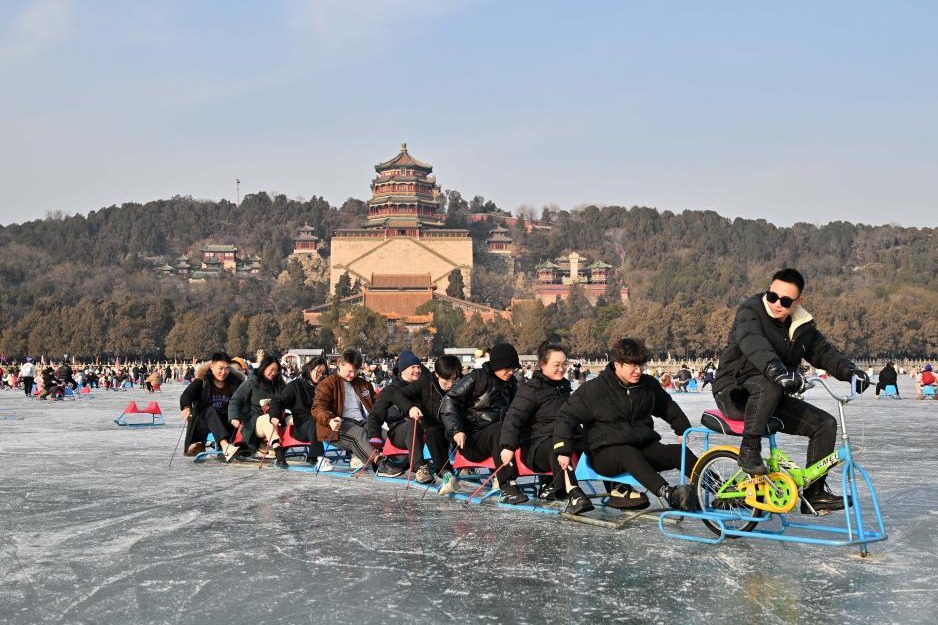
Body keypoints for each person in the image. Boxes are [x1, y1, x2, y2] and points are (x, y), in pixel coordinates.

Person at [712, 268, 870, 514]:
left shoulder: (802, 326)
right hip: (733, 392)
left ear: (798, 302)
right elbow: (755, 343)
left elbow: (823, 352)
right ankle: (749, 449)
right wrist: (776, 370)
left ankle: (815, 494)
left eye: (785, 301)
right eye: (772, 296)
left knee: (824, 424)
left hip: (773, 395)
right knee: (769, 383)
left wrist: (850, 372)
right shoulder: (750, 311)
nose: (776, 304)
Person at [555, 338, 700, 512]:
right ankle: (669, 493)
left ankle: (722, 490)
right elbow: (566, 416)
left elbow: (667, 406)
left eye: (641, 366)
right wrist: (563, 449)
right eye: (633, 366)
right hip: (604, 453)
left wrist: (682, 428)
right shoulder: (593, 390)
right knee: (628, 453)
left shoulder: (648, 385)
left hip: (642, 445)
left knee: (679, 453)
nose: (638, 371)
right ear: (617, 364)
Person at [498, 342, 596, 514]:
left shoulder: (564, 388)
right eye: (556, 365)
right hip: (538, 447)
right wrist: (507, 446)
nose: (562, 369)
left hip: (566, 438)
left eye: (564, 364)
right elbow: (513, 418)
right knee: (557, 446)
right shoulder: (531, 389)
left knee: (599, 440)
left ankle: (618, 489)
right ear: (543, 365)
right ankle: (574, 492)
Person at [438, 342, 524, 503]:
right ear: (497, 365)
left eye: (514, 368)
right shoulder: (477, 378)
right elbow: (450, 400)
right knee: (501, 429)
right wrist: (456, 430)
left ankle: (550, 484)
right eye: (507, 368)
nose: (511, 372)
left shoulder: (512, 384)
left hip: (500, 440)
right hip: (473, 441)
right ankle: (507, 486)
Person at [313, 348, 390, 473]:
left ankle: (403, 460)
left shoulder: (362, 384)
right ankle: (380, 463)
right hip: (337, 425)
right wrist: (330, 420)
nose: (352, 375)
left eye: (355, 371)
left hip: (362, 421)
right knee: (359, 434)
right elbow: (318, 407)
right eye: (349, 371)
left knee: (384, 434)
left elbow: (378, 404)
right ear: (340, 363)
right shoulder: (327, 384)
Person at [366, 349, 434, 483]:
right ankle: (419, 467)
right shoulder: (390, 391)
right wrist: (375, 437)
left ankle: (456, 465)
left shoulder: (423, 387)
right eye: (412, 367)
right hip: (399, 432)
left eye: (418, 367)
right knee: (412, 422)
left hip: (425, 429)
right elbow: (375, 416)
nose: (417, 370)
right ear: (402, 370)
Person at [179, 352, 245, 460]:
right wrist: (185, 407)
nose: (223, 372)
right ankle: (225, 446)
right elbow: (187, 395)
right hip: (203, 422)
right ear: (212, 367)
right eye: (220, 368)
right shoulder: (202, 382)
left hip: (226, 421)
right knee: (210, 410)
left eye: (227, 368)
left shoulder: (235, 383)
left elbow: (243, 401)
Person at [268, 357, 330, 470]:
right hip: (301, 425)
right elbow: (278, 400)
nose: (320, 375)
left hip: (323, 421)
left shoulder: (324, 387)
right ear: (310, 368)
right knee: (314, 421)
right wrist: (274, 416)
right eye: (318, 371)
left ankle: (355, 455)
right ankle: (320, 458)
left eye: (323, 373)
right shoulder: (296, 386)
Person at [229, 354, 289, 468]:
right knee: (268, 418)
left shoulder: (280, 385)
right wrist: (234, 417)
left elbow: (290, 399)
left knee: (291, 418)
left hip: (277, 419)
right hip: (255, 422)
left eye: (276, 371)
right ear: (263, 368)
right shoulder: (251, 383)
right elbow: (236, 400)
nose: (274, 373)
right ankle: (278, 449)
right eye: (271, 370)